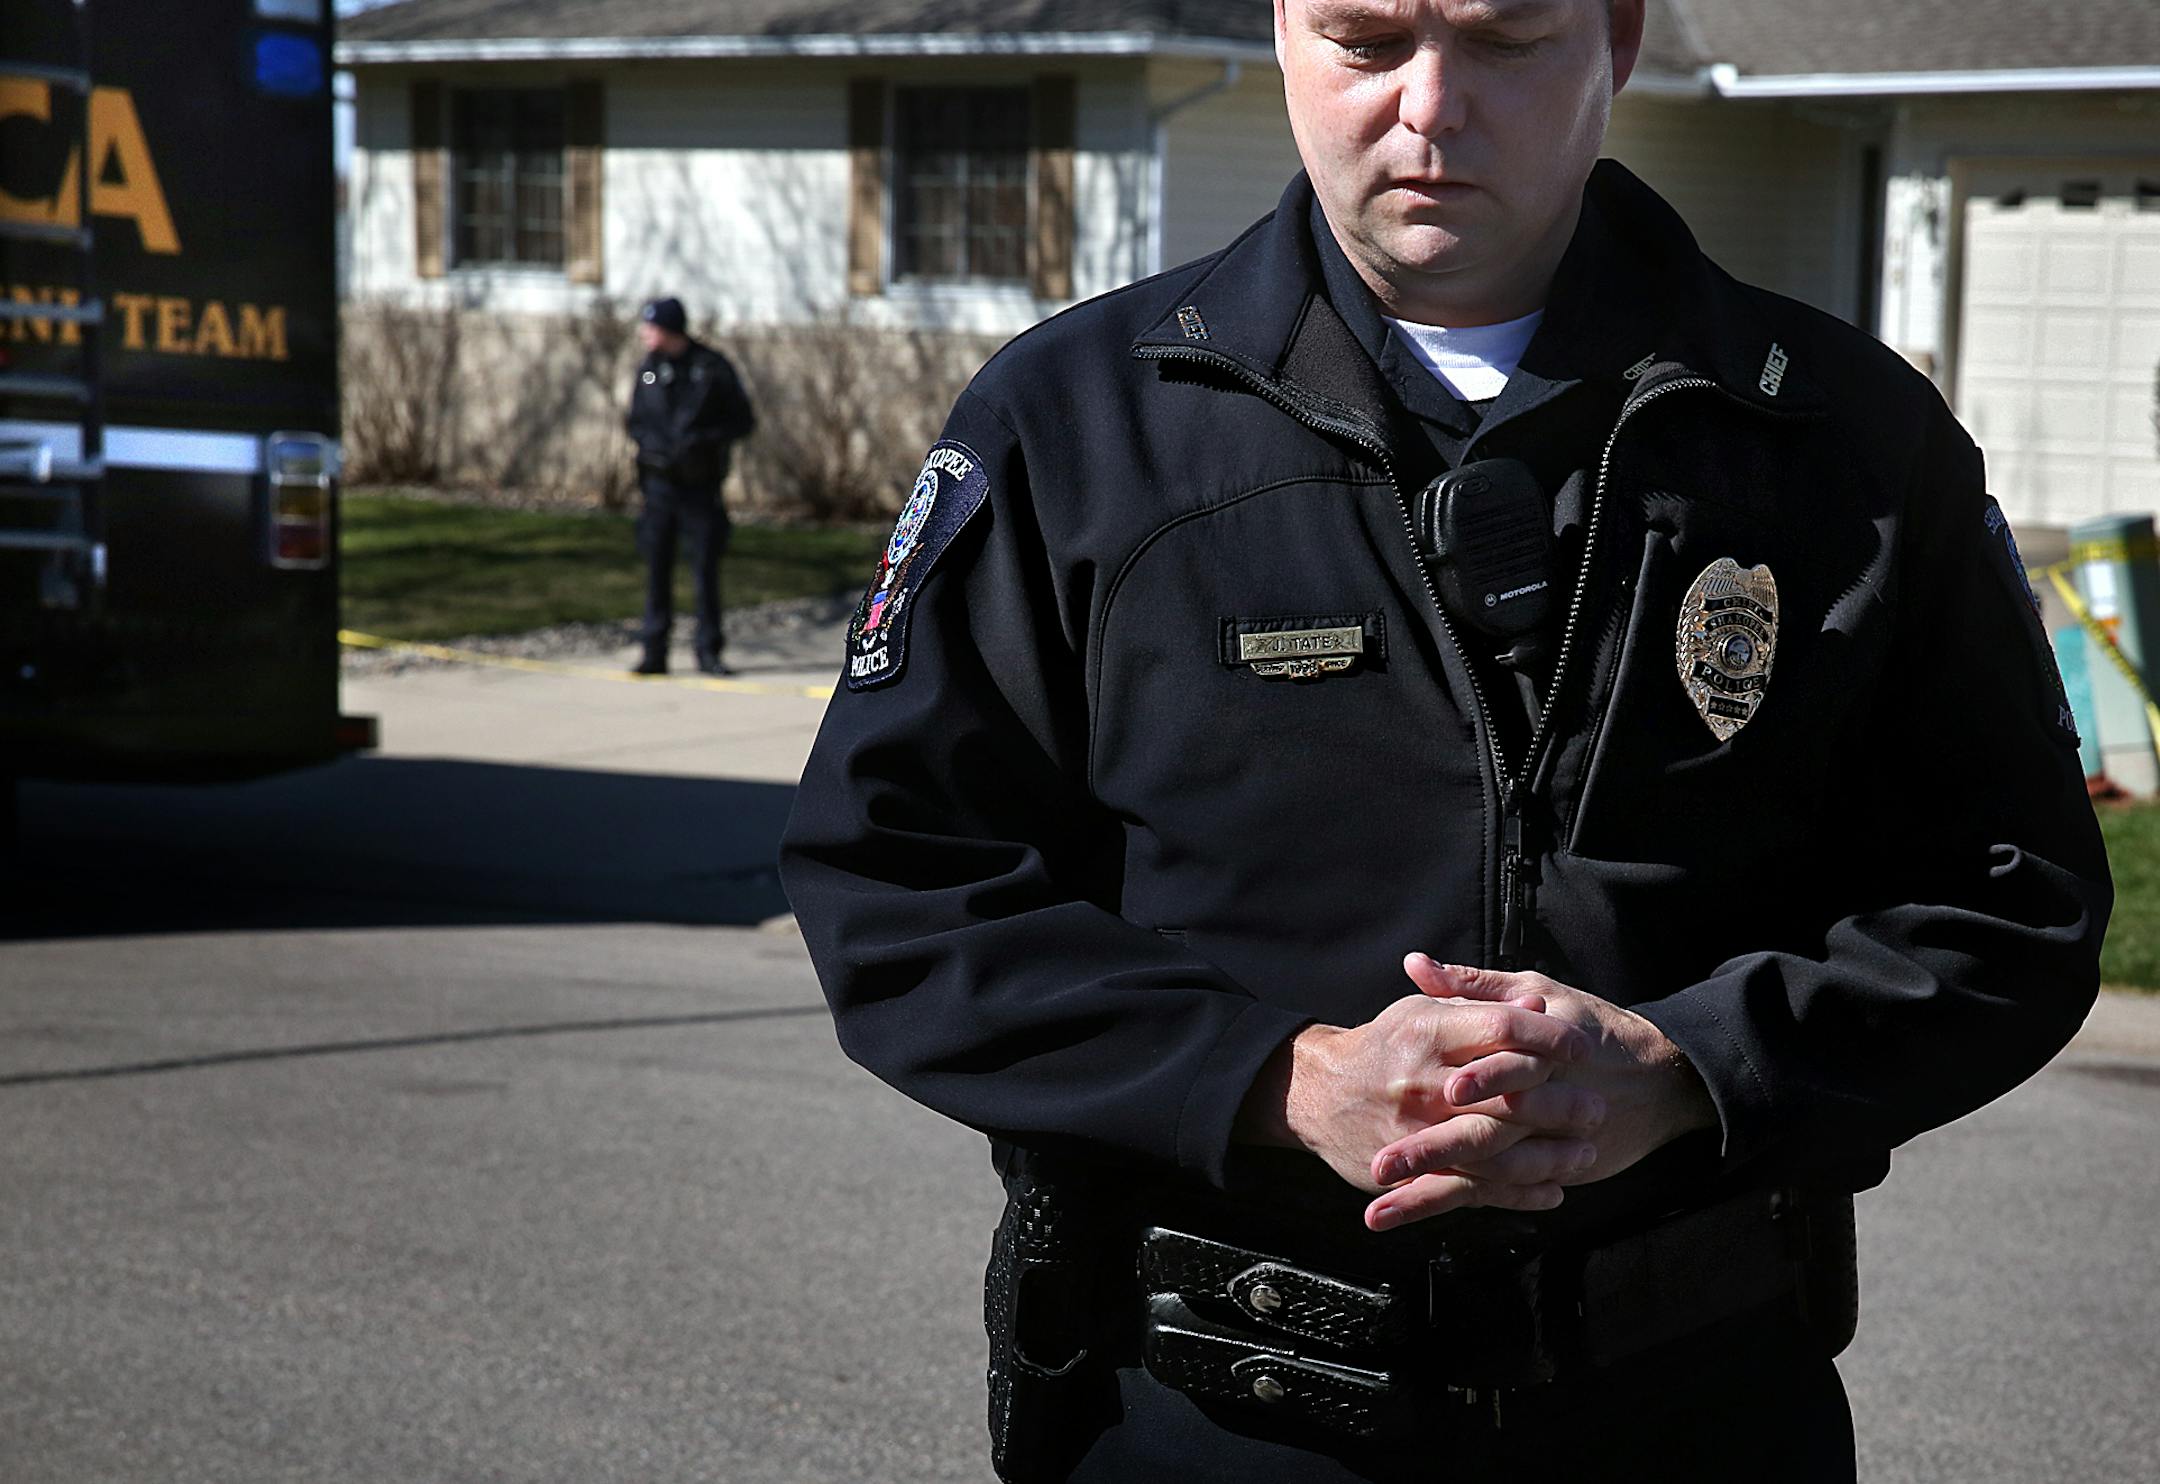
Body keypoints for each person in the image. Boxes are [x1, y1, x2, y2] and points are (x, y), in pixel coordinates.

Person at [779, 2, 2112, 1479]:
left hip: (1700, 1409)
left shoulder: (1846, 444)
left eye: (1505, 40)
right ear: (1283, 29)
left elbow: (2013, 896)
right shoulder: (1080, 427)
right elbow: (897, 886)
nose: (1429, 108)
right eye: (1365, 40)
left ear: (1616, 39)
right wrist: (1277, 1078)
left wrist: (1688, 1065)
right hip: (1212, 1417)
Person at [623, 296, 755, 675]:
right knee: (657, 567)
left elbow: (742, 421)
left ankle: (708, 650)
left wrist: (702, 442)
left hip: (700, 487)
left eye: (652, 327)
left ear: (671, 329)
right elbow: (636, 420)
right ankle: (654, 650)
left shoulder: (711, 368)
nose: (646, 334)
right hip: (659, 486)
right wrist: (653, 448)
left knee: (705, 570)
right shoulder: (649, 370)